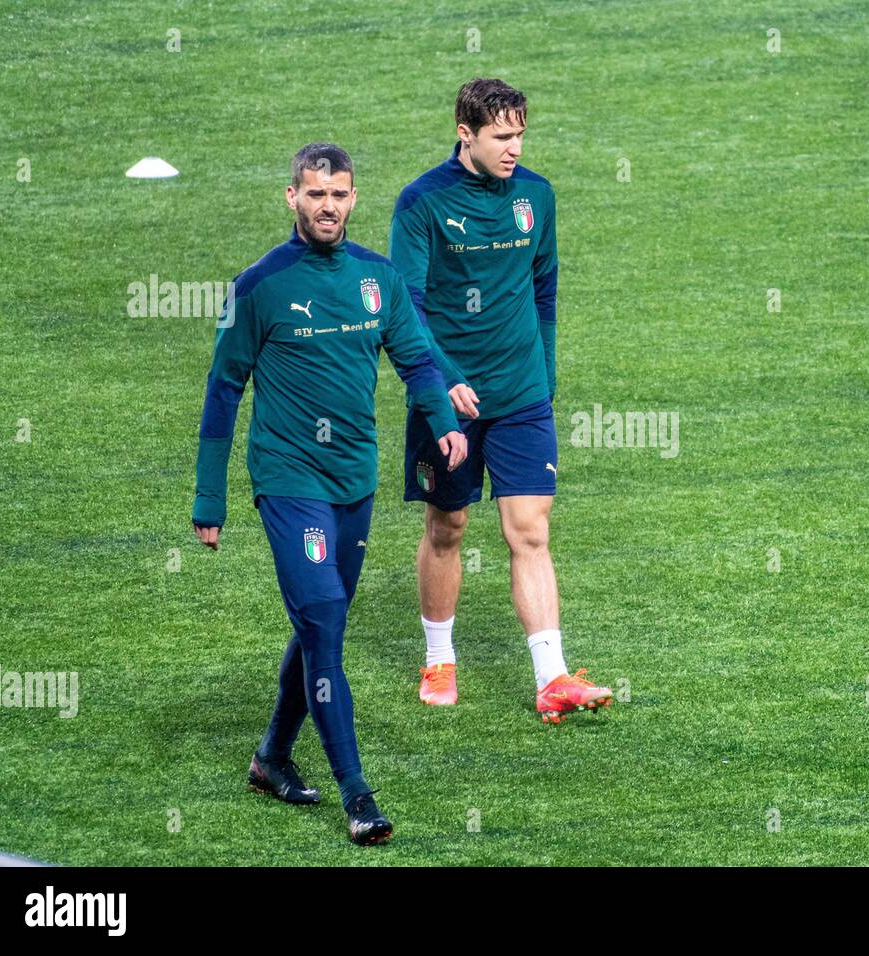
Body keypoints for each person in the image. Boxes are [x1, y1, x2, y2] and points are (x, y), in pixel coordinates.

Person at [191, 143, 467, 844]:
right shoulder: (260, 286)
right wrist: (209, 501)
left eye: (339, 195)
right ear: (292, 198)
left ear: (352, 197)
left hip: (355, 481)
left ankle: (271, 758)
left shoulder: (378, 280)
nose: (328, 207)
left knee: (321, 625)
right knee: (324, 622)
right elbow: (224, 390)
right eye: (315, 195)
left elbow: (415, 359)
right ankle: (358, 797)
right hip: (288, 482)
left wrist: (442, 424)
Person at [388, 78, 611, 723]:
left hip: (522, 395)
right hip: (447, 398)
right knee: (448, 526)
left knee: (530, 532)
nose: (515, 147)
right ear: (467, 133)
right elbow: (408, 306)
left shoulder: (536, 196)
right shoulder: (422, 203)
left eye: (520, 134)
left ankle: (553, 676)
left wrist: (545, 372)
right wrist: (442, 378)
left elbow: (545, 289)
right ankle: (439, 658)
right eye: (502, 136)